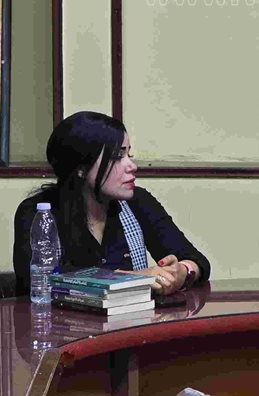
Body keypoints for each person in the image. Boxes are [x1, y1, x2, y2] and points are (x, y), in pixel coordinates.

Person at [13, 111, 211, 296]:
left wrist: (183, 271)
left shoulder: (138, 202)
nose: (132, 166)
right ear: (81, 168)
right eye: (117, 157)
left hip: (131, 319)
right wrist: (130, 278)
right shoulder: (38, 212)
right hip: (62, 321)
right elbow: (37, 278)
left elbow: (197, 260)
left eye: (129, 155)